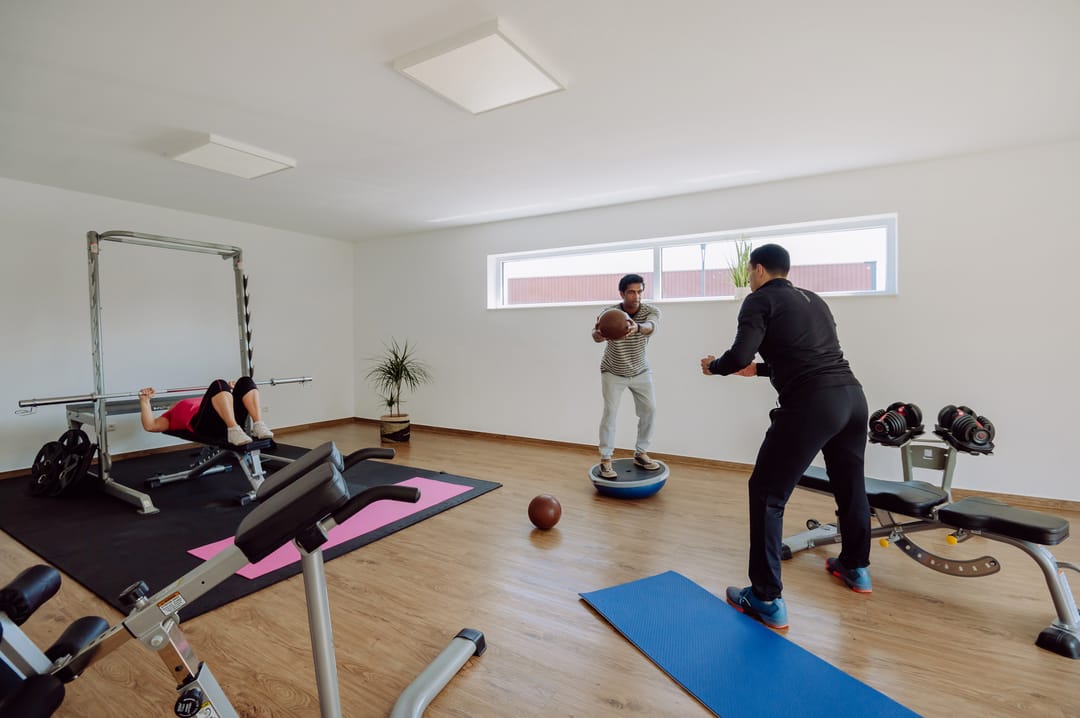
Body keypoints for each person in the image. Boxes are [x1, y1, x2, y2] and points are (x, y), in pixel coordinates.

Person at [700, 243, 870, 630]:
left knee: (766, 492)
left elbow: (739, 355)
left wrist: (716, 366)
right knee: (850, 485)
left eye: (750, 271)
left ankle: (764, 597)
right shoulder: (813, 299)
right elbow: (809, 353)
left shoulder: (759, 300)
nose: (749, 278)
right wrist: (759, 371)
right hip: (852, 398)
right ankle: (856, 568)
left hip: (812, 403)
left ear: (758, 269)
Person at [592, 273, 662, 479]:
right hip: (613, 370)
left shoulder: (651, 311)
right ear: (622, 293)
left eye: (639, 292)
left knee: (649, 410)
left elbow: (652, 327)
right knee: (610, 413)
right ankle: (606, 459)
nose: (636, 296)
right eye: (631, 292)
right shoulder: (610, 313)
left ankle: (641, 453)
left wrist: (637, 327)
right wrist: (599, 334)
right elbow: (595, 335)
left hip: (640, 370)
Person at [139, 377, 274, 447]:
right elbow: (150, 426)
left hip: (228, 417)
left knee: (245, 381)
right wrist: (145, 401)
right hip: (205, 426)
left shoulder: (205, 400)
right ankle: (232, 429)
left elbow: (222, 401)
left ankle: (258, 424)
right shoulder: (170, 415)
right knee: (219, 384)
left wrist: (230, 391)